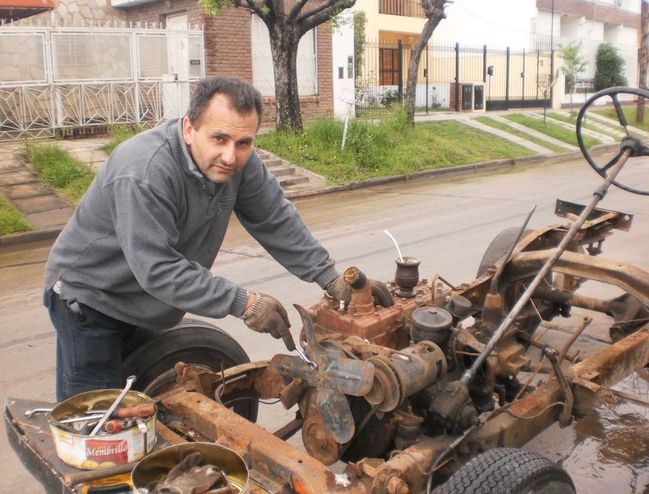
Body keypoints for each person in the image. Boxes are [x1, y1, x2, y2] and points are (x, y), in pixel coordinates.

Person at [44, 76, 349, 402]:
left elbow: (274, 218)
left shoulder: (239, 163)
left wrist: (329, 276)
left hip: (144, 302)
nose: (230, 156)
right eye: (219, 138)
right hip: (92, 301)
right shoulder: (143, 171)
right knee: (95, 423)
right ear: (189, 129)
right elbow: (158, 269)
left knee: (139, 404)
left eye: (244, 143)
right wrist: (244, 303)